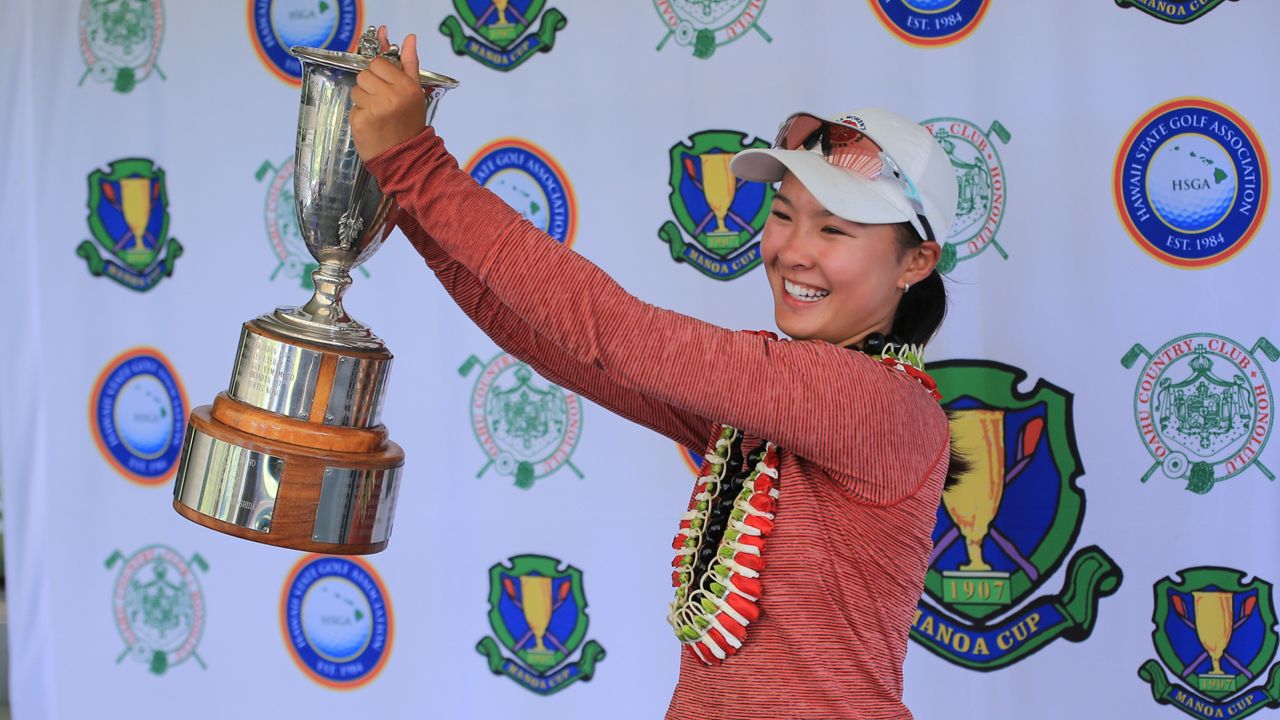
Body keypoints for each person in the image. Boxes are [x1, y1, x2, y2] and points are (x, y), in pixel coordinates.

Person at [351, 28, 960, 720]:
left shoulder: (874, 404)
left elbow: (614, 330)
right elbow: (562, 343)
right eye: (783, 215)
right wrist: (402, 197)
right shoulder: (780, 409)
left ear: (916, 264)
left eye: (834, 230)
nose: (792, 250)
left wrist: (416, 168)